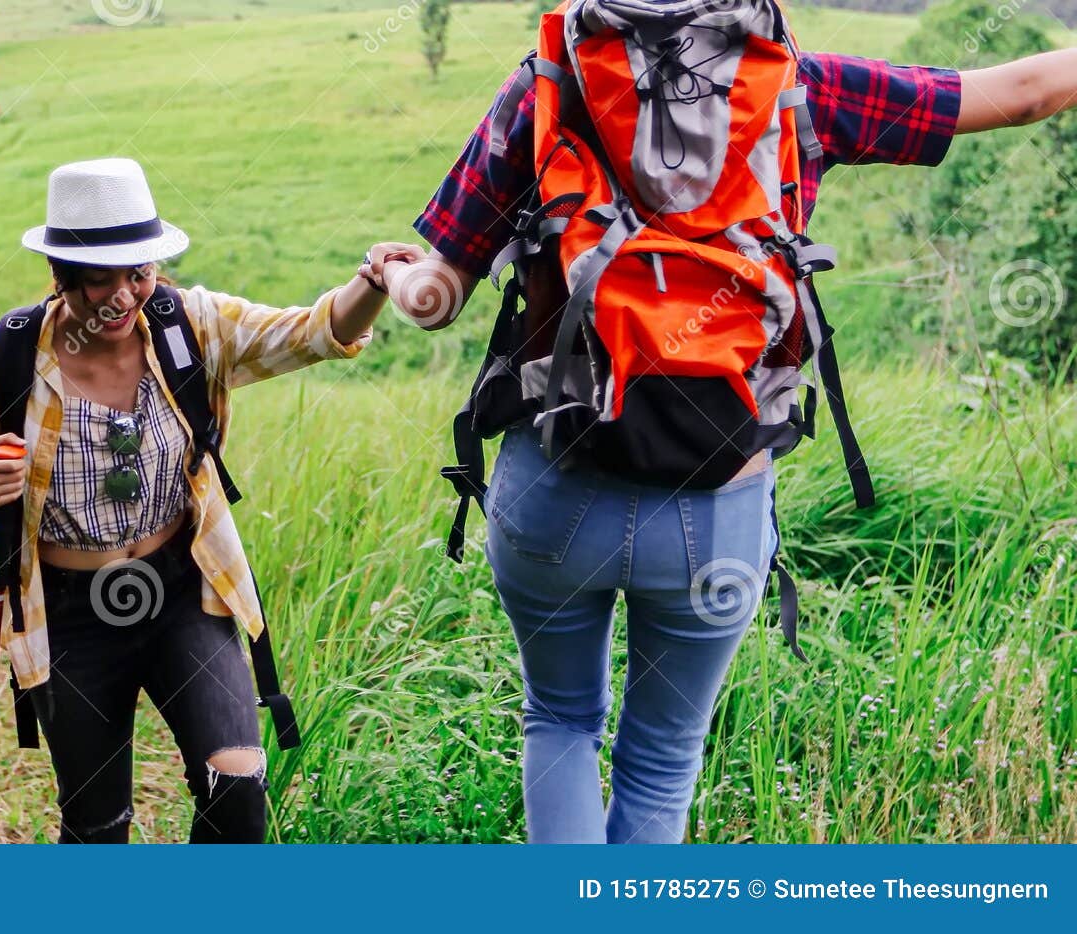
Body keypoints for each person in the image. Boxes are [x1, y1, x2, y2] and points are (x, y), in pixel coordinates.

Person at [379, 5, 1077, 843]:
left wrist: (398, 278)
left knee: (560, 721)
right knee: (663, 761)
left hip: (556, 493)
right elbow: (1028, 91)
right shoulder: (800, 88)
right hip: (717, 512)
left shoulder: (546, 84)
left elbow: (436, 297)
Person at [0, 157, 420, 843]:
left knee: (237, 784)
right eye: (100, 278)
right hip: (70, 609)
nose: (122, 296)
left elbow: (312, 332)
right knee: (97, 825)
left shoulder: (190, 327)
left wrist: (373, 280)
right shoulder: (4, 355)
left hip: (181, 589)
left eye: (138, 273)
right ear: (61, 274)